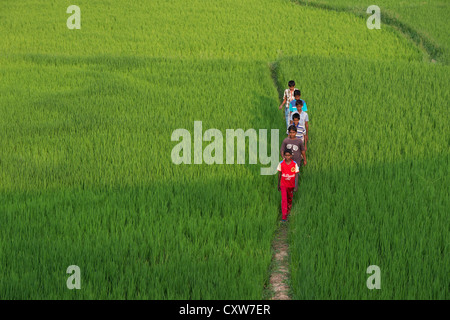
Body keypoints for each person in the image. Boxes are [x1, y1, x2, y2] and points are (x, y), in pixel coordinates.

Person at [277, 149, 299, 221]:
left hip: (291, 185)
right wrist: (278, 184)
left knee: (289, 199)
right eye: (286, 155)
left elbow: (296, 175)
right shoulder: (281, 164)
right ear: (284, 156)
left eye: (288, 155)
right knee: (284, 199)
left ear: (291, 156)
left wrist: (296, 185)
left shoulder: (294, 164)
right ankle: (284, 216)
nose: (287, 157)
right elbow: (279, 174)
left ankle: (288, 211)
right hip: (283, 184)